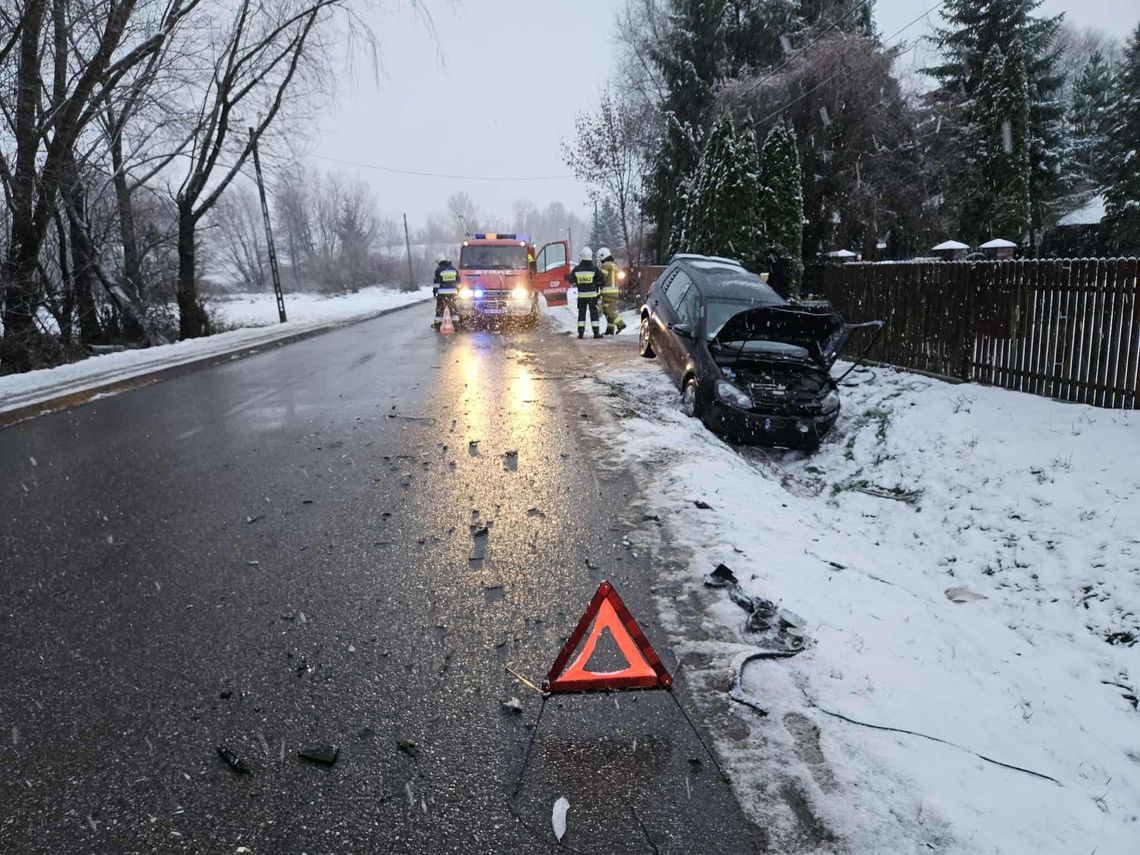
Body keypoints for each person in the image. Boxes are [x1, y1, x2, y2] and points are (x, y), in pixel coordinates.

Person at [566, 247, 602, 339]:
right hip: (592, 296)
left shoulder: (577, 269)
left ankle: (581, 333)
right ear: (590, 256)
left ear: (581, 257)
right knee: (594, 314)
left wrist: (566, 277)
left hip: (581, 296)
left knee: (581, 314)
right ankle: (596, 333)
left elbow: (571, 280)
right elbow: (600, 279)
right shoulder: (594, 269)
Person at [597, 247, 626, 335]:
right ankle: (610, 330)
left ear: (603, 256)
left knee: (608, 310)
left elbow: (602, 278)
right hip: (615, 292)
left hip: (607, 292)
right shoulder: (614, 265)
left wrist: (596, 281)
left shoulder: (605, 265)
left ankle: (621, 324)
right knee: (611, 310)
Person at [432, 252, 460, 330]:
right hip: (453, 293)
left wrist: (434, 292)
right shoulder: (453, 269)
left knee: (440, 310)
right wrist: (457, 290)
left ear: (439, 261)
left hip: (442, 294)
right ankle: (456, 325)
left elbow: (436, 283)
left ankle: (438, 325)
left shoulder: (438, 270)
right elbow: (458, 280)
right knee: (453, 309)